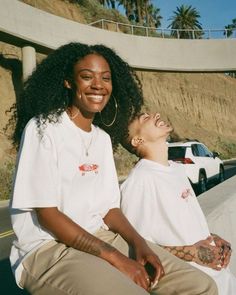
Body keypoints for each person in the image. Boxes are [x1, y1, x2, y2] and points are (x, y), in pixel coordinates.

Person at [8, 42, 218, 295]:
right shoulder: (43, 129)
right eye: (87, 77)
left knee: (201, 286)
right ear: (68, 82)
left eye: (105, 78)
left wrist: (140, 244)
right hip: (48, 249)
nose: (98, 85)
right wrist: (116, 258)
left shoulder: (102, 139)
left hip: (99, 236)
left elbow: (110, 209)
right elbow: (48, 216)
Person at [120, 112, 236, 294]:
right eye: (144, 118)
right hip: (196, 284)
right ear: (137, 140)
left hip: (222, 276)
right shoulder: (140, 181)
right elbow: (137, 250)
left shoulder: (177, 169)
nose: (155, 115)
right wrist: (192, 253)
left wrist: (214, 237)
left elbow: (181, 221)